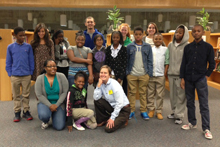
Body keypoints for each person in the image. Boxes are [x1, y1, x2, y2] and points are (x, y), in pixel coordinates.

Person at [180, 24, 215, 140]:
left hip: (200, 79)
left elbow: (212, 64)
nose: (196, 33)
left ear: (203, 32)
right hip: (189, 79)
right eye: (194, 31)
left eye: (198, 31)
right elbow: (184, 64)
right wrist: (182, 78)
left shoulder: (208, 47)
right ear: (192, 33)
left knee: (203, 104)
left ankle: (206, 128)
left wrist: (206, 75)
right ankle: (192, 123)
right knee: (190, 102)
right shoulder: (188, 48)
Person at [6, 27, 35, 122]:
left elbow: (31, 60)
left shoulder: (28, 47)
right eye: (20, 35)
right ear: (15, 36)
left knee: (26, 94)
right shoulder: (10, 47)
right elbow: (8, 62)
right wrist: (10, 73)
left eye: (24, 35)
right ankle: (17, 112)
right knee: (16, 95)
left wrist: (31, 72)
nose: (23, 37)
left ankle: (26, 111)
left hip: (26, 74)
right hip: (15, 75)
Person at [93, 65, 130, 133]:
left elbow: (119, 103)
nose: (103, 75)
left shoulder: (114, 85)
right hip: (113, 107)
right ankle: (103, 119)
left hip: (123, 109)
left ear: (109, 75)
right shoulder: (101, 83)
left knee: (108, 129)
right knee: (98, 101)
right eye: (101, 73)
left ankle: (124, 119)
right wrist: (98, 86)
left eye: (105, 73)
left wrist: (112, 118)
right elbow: (96, 98)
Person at [127, 26, 153, 120]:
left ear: (143, 34)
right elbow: (127, 60)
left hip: (143, 74)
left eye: (140, 34)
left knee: (143, 93)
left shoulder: (147, 46)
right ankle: (132, 110)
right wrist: (127, 73)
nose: (138, 36)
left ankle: (143, 111)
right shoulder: (130, 46)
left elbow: (150, 60)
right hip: (132, 74)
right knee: (132, 93)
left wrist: (149, 73)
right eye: (136, 34)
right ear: (133, 35)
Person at [35, 59, 68, 130]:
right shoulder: (40, 78)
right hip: (45, 103)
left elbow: (64, 92)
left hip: (58, 103)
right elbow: (39, 95)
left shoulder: (61, 76)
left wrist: (56, 105)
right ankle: (45, 121)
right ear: (45, 68)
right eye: (50, 66)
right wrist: (50, 106)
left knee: (59, 127)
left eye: (54, 66)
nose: (53, 68)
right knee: (44, 115)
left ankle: (55, 115)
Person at [167, 25, 189, 125]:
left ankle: (179, 115)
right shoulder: (170, 45)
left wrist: (184, 76)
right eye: (176, 32)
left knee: (181, 95)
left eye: (180, 33)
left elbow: (188, 62)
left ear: (184, 35)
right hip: (171, 74)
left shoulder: (187, 46)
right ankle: (174, 111)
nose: (177, 34)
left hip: (181, 75)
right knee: (172, 95)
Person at [147, 33, 169, 120]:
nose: (158, 40)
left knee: (160, 94)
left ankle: (159, 111)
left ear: (162, 40)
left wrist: (165, 73)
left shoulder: (165, 49)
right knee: (150, 93)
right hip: (151, 75)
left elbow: (167, 62)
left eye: (160, 39)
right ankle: (151, 109)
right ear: (153, 40)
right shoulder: (150, 49)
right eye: (156, 39)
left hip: (161, 75)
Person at [118, 23, 132, 95]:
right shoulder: (116, 41)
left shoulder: (130, 43)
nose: (123, 31)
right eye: (122, 30)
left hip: (126, 68)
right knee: (116, 87)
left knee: (125, 87)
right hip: (117, 67)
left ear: (127, 31)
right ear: (119, 30)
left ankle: (124, 103)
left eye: (125, 30)